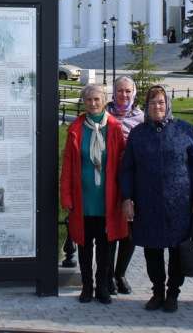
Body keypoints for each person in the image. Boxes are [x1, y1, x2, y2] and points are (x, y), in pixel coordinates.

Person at [119, 85, 193, 313]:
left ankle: (173, 293)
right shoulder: (139, 133)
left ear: (168, 105)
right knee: (152, 250)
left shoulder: (184, 130)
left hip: (179, 202)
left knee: (177, 249)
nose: (157, 107)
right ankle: (157, 291)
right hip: (148, 203)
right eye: (152, 103)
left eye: (161, 102)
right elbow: (127, 168)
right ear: (146, 106)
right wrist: (127, 198)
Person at [61, 83, 128, 304]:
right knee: (83, 244)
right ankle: (86, 286)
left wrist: (122, 196)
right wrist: (67, 197)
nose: (92, 103)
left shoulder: (115, 128)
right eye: (89, 100)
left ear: (104, 100)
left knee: (105, 245)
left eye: (97, 99)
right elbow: (69, 165)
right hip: (83, 198)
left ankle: (102, 286)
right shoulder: (77, 128)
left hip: (107, 199)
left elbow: (121, 166)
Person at [103, 75, 144, 295]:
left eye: (128, 91)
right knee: (110, 229)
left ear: (134, 94)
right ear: (113, 92)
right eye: (120, 91)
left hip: (133, 182)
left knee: (129, 230)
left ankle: (121, 273)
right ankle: (107, 274)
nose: (124, 95)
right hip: (108, 180)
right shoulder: (105, 115)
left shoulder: (141, 119)